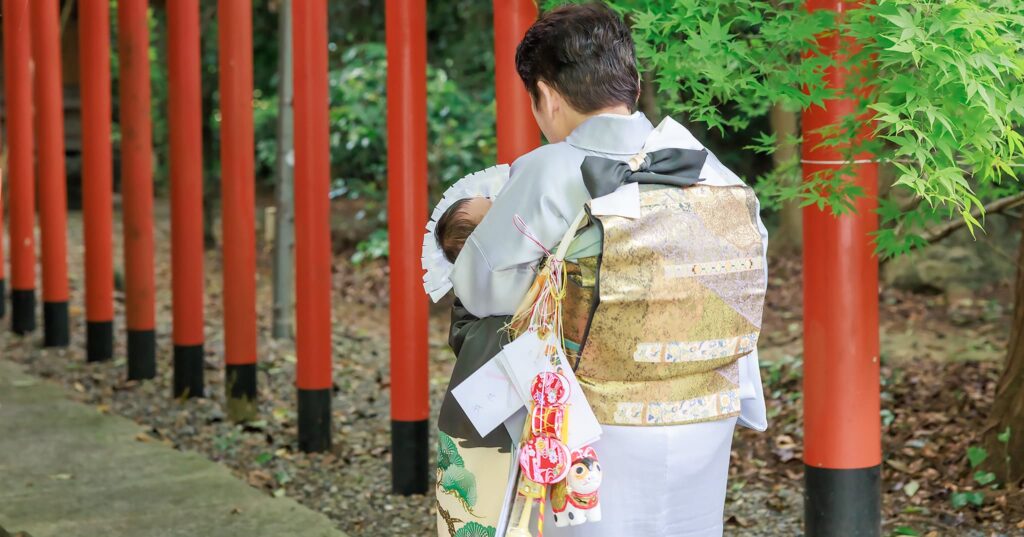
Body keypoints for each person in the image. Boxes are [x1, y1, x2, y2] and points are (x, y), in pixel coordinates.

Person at [439, 3, 770, 537]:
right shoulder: (707, 164)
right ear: (632, 84)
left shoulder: (545, 171)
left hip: (589, 422)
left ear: (544, 95)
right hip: (706, 407)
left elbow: (479, 290)